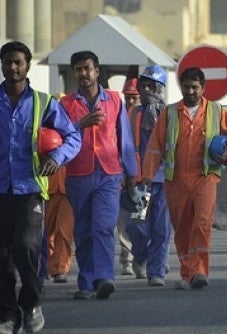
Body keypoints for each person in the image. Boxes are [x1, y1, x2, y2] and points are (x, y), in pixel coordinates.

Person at [0, 41, 81, 333]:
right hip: (0, 190)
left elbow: (72, 137)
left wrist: (57, 157)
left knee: (26, 246)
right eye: (8, 62)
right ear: (2, 65)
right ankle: (7, 315)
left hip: (30, 187)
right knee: (2, 258)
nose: (13, 67)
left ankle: (31, 301)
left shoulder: (44, 103)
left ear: (27, 66)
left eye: (18, 62)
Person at [142, 67, 227, 289]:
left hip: (205, 177)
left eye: (195, 87)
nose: (190, 91)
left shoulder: (216, 111)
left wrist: (226, 157)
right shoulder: (169, 114)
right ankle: (188, 273)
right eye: (186, 87)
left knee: (202, 223)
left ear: (203, 88)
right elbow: (155, 147)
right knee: (183, 229)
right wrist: (147, 176)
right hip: (175, 180)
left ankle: (199, 272)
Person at [60, 51, 138, 299]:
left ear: (97, 71)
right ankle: (86, 282)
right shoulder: (65, 104)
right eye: (79, 69)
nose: (83, 73)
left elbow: (125, 139)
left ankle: (104, 277)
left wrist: (132, 173)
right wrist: (80, 124)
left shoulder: (114, 100)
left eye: (87, 68)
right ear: (74, 73)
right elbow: (58, 137)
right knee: (83, 231)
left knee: (103, 226)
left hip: (109, 173)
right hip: (78, 173)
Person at [125, 65, 172, 286]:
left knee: (161, 227)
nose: (146, 90)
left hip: (164, 178)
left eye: (151, 85)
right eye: (143, 85)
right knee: (137, 226)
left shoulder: (170, 114)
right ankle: (141, 255)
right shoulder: (133, 113)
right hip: (139, 179)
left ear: (160, 88)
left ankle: (157, 271)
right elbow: (125, 144)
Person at [117, 78, 142, 276]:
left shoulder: (151, 116)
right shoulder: (119, 115)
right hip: (123, 177)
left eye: (134, 97)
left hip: (145, 178)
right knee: (124, 221)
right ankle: (127, 259)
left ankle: (144, 257)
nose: (131, 101)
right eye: (128, 97)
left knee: (142, 222)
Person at [44, 166, 74, 284]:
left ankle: (60, 269)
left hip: (68, 189)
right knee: (44, 232)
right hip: (45, 188)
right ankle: (46, 263)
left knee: (64, 231)